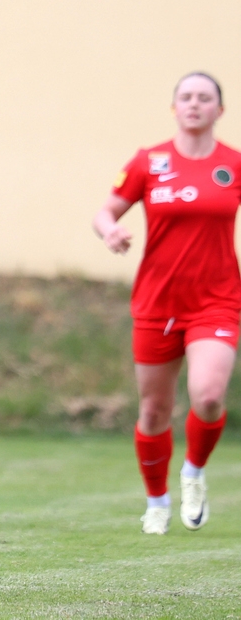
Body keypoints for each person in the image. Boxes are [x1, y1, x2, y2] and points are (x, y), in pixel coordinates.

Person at [93, 72, 241, 535]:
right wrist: (110, 231)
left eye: (205, 98)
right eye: (186, 97)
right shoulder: (148, 161)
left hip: (216, 301)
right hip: (157, 302)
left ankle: (193, 472)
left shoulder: (234, 164)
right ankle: (156, 501)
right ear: (174, 108)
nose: (195, 104)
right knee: (154, 411)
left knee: (210, 396)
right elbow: (105, 211)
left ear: (220, 110)